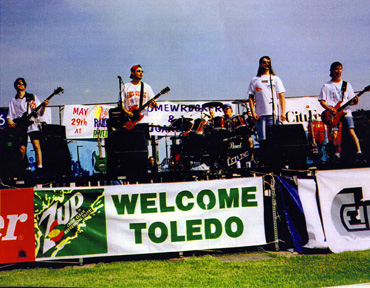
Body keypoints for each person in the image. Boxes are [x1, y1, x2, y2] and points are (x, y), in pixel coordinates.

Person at [319, 61, 362, 161]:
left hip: (346, 112)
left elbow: (352, 101)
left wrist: (355, 101)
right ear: (332, 71)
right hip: (333, 114)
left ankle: (359, 152)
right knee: (334, 134)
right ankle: (336, 154)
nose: (338, 71)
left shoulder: (346, 85)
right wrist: (330, 109)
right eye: (336, 69)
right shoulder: (326, 86)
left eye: (340, 69)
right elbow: (322, 101)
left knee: (351, 131)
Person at [247, 56, 286, 163]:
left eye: (268, 62)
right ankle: (265, 162)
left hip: (273, 113)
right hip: (260, 114)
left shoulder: (275, 79)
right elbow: (250, 97)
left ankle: (276, 162)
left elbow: (281, 96)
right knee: (262, 140)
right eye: (264, 62)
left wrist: (282, 112)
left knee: (273, 139)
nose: (266, 64)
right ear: (260, 64)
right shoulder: (255, 80)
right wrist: (253, 112)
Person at [7, 77, 49, 176]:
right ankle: (27, 168)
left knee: (36, 144)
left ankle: (40, 167)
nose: (20, 85)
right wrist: (9, 120)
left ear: (25, 86)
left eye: (22, 83)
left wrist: (44, 106)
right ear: (15, 86)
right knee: (21, 149)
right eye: (18, 83)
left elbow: (40, 113)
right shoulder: (13, 100)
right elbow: (10, 115)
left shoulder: (31, 97)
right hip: (21, 126)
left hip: (32, 123)